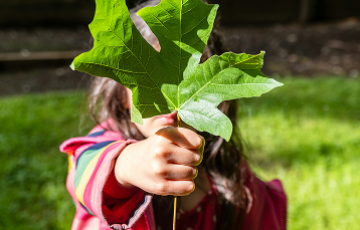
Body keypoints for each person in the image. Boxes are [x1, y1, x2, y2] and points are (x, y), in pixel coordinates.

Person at [60, 1, 287, 229]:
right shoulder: (102, 144)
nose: (172, 105)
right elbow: (86, 173)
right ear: (121, 95)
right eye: (153, 84)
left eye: (187, 84)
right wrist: (129, 165)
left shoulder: (229, 171)